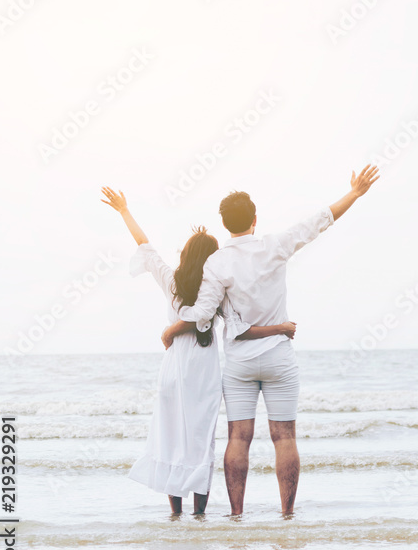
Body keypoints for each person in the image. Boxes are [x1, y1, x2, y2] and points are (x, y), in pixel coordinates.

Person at [160, 165, 380, 517]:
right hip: (278, 357)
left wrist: (173, 329)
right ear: (255, 219)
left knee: (238, 439)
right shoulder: (275, 245)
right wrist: (354, 193)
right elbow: (319, 221)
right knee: (284, 437)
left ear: (224, 223)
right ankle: (287, 514)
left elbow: (203, 313)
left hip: (240, 363)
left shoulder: (218, 262)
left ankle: (236, 515)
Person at [102, 187, 296, 515]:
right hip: (204, 367)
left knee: (171, 435)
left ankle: (176, 512)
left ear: (187, 255)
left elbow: (144, 246)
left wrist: (123, 211)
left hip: (175, 365)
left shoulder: (172, 280)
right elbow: (229, 322)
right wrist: (280, 327)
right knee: (201, 437)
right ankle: (200, 513)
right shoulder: (217, 286)